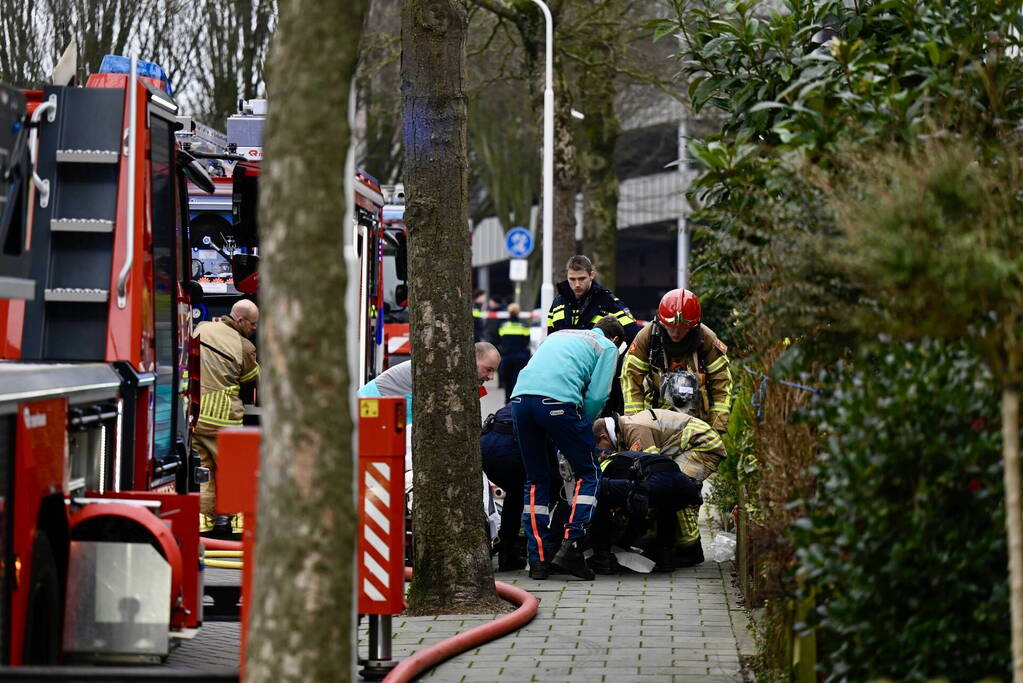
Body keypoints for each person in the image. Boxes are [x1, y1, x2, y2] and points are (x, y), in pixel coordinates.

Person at [510, 315, 626, 580]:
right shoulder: (608, 347)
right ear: (616, 339)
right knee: (590, 472)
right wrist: (583, 426)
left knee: (536, 478)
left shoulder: (558, 335)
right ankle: (571, 546)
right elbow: (598, 394)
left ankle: (537, 559)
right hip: (558, 403)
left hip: (519, 401)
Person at [591, 400, 727, 567]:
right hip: (691, 445)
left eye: (601, 447)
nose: (605, 451)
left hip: (703, 446)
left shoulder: (634, 430)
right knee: (668, 488)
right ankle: (665, 545)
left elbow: (650, 476)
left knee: (677, 490)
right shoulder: (625, 428)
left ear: (604, 437)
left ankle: (690, 549)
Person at [620, 288, 733, 433]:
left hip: (695, 420)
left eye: (682, 329)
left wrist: (717, 426)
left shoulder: (706, 339)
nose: (675, 333)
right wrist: (635, 422)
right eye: (670, 328)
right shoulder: (647, 337)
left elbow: (722, 382)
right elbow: (630, 377)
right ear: (661, 323)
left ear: (694, 326)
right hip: (654, 418)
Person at [192, 299, 260, 536]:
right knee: (234, 470)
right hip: (225, 419)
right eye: (252, 324)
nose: (254, 329)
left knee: (204, 471)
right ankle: (237, 521)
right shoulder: (244, 346)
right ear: (240, 320)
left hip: (195, 416)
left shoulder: (201, 328)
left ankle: (204, 522)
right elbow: (251, 379)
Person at [589, 450, 704, 573]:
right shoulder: (638, 456)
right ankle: (666, 559)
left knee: (599, 493)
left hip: (653, 481)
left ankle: (602, 560)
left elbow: (595, 483)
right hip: (685, 487)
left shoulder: (607, 462)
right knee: (666, 506)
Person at [358, 342, 501, 424]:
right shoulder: (444, 374)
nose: (491, 377)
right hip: (370, 409)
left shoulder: (451, 369)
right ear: (471, 359)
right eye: (488, 369)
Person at [546, 255, 640, 344]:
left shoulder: (607, 301)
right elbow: (550, 340)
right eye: (572, 279)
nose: (577, 284)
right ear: (567, 276)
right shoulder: (558, 303)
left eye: (582, 278)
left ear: (592, 275)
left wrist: (614, 359)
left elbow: (634, 337)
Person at [496, 303, 531, 397]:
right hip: (521, 356)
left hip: (507, 356)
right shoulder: (524, 326)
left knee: (507, 381)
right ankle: (516, 400)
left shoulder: (503, 325)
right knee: (518, 381)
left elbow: (500, 340)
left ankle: (507, 400)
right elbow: (527, 341)